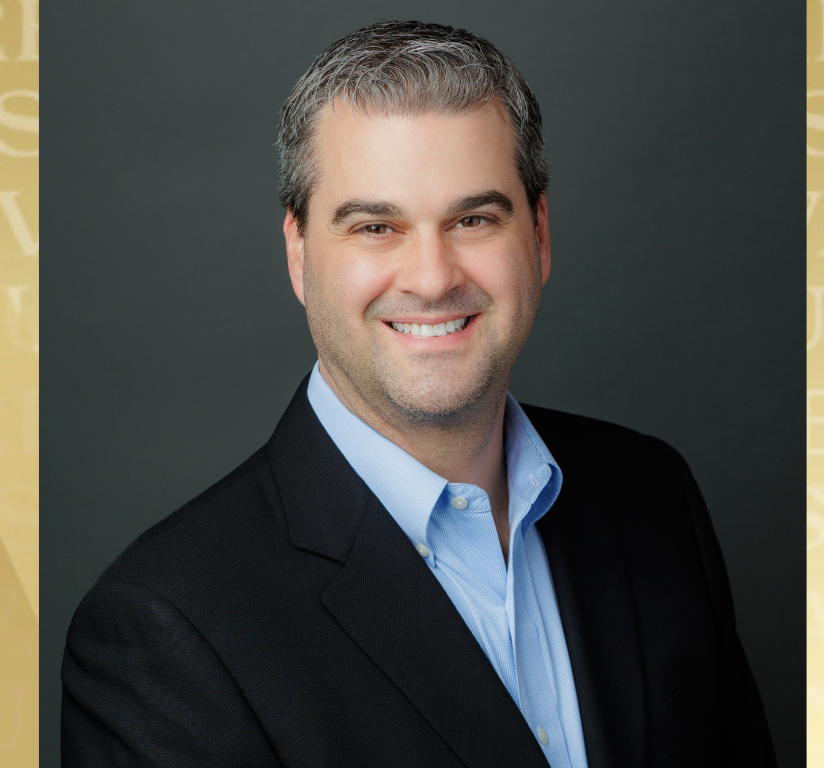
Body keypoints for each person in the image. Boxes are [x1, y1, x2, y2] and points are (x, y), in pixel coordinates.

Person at [61, 20, 776, 767]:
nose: (432, 278)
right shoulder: (165, 631)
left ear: (538, 236)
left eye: (474, 219)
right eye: (376, 226)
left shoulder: (651, 497)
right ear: (298, 254)